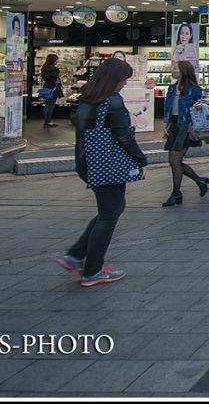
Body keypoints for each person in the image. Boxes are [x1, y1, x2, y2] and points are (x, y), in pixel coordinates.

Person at [58, 57, 148, 287]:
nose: (124, 84)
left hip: (87, 162)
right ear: (114, 79)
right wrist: (140, 159)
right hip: (107, 163)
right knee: (110, 214)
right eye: (123, 80)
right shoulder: (112, 101)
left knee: (109, 210)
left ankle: (76, 255)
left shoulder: (88, 98)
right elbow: (123, 135)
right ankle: (93, 269)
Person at [161, 61, 209, 207]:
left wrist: (193, 122)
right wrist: (165, 124)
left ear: (183, 71)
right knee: (174, 161)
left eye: (176, 68)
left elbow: (195, 109)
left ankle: (176, 193)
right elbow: (167, 107)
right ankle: (198, 180)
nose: (173, 70)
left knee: (175, 161)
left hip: (185, 126)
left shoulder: (194, 90)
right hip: (174, 125)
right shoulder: (171, 88)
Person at [38, 53, 63, 129]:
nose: (57, 61)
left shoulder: (44, 68)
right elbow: (54, 79)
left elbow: (45, 78)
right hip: (53, 89)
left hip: (47, 87)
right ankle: (48, 121)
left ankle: (46, 121)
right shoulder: (54, 69)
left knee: (47, 105)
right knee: (50, 105)